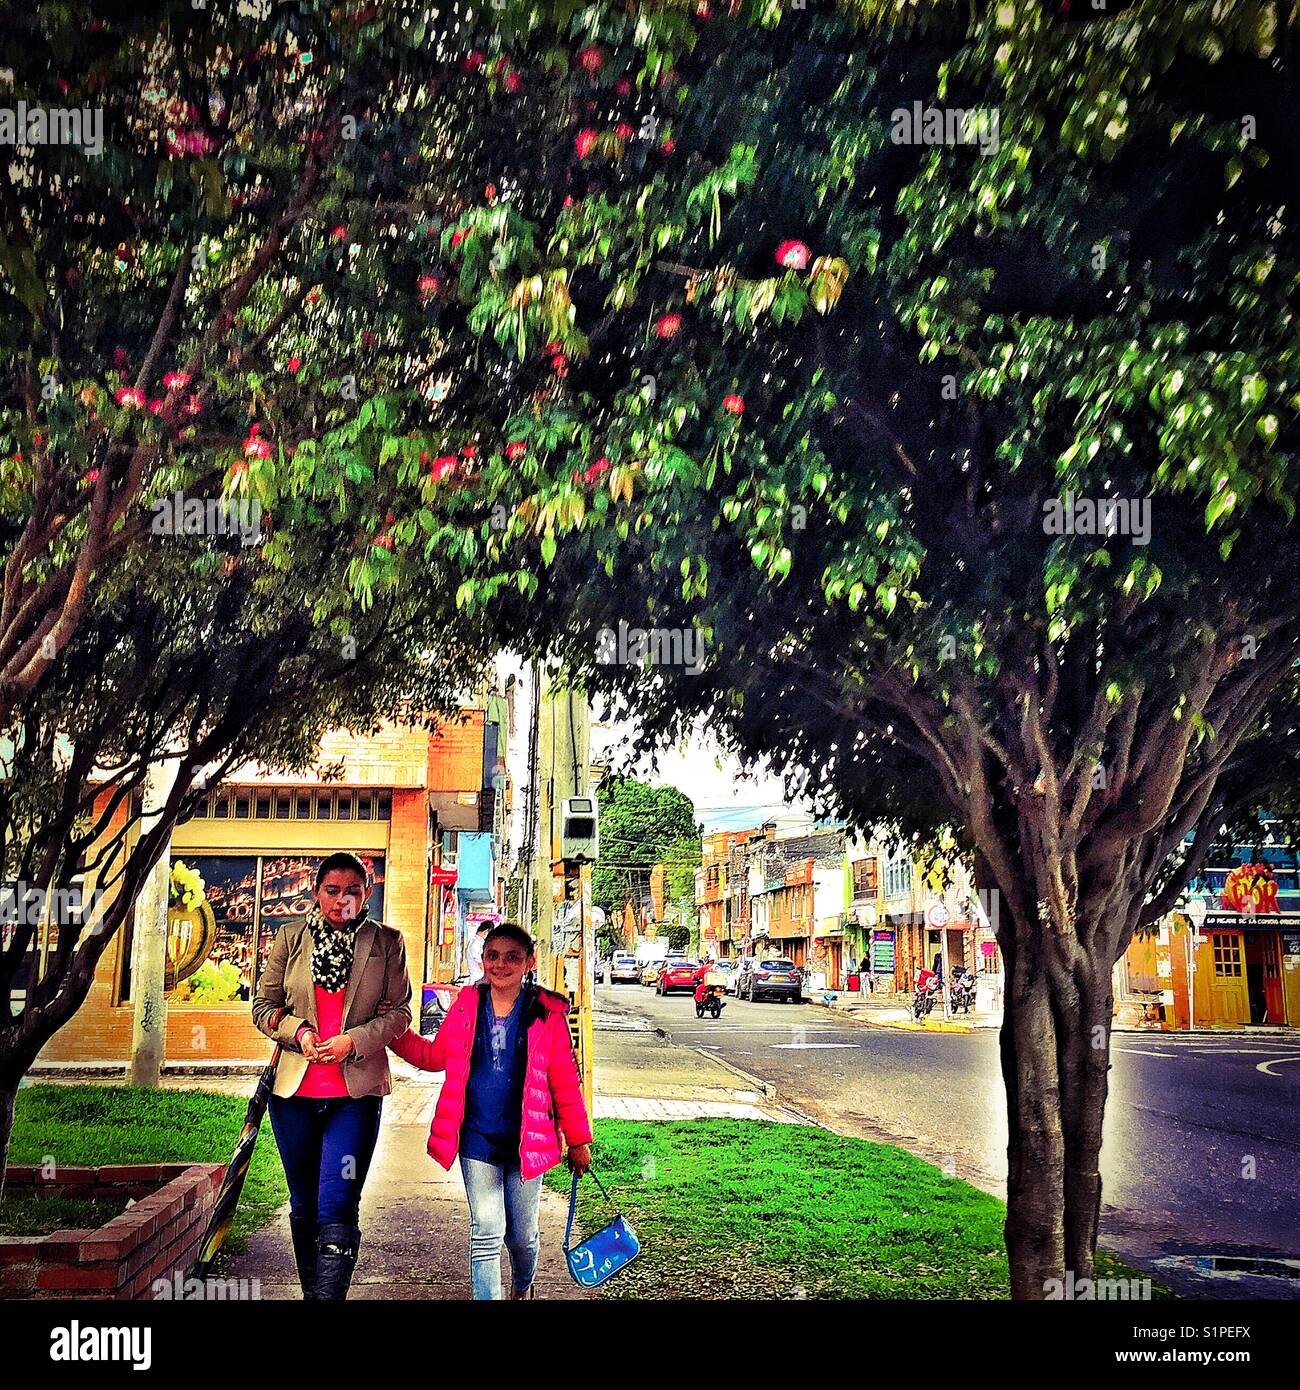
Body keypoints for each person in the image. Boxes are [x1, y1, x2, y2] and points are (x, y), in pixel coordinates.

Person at [387, 923, 592, 1300]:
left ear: (529, 962)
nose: (500, 965)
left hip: (528, 1142)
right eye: (493, 956)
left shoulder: (546, 1013)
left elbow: (564, 1081)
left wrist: (578, 1140)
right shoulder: (467, 1004)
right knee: (486, 1228)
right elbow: (435, 1056)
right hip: (476, 1138)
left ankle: (522, 1285)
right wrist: (391, 1034)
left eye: (512, 957)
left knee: (523, 1237)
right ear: (483, 960)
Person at [251, 852, 412, 1300]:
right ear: (316, 891)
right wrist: (298, 1032)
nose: (342, 900)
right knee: (303, 1205)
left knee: (337, 1203)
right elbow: (262, 1009)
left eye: (353, 891)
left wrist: (354, 1040)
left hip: (355, 1095)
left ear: (367, 894)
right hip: (294, 1094)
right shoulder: (289, 938)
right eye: (332, 890)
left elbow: (400, 1013)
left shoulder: (387, 943)